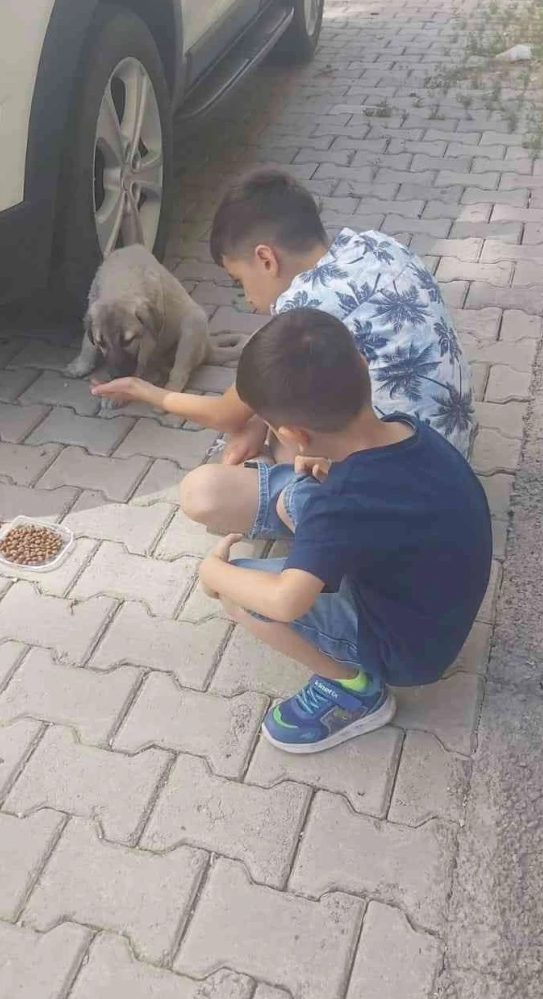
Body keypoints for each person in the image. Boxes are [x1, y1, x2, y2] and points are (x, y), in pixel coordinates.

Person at [91, 166, 475, 537]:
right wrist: (258, 422)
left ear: (266, 259)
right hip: (448, 453)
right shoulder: (375, 244)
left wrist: (147, 392)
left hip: (401, 494)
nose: (247, 299)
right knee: (272, 419)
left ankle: (326, 522)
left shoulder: (305, 308)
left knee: (203, 493)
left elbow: (224, 414)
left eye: (239, 281)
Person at [196, 307, 491, 753]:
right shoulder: (409, 429)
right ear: (361, 364)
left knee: (244, 594)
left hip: (407, 650)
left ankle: (354, 691)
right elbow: (383, 497)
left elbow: (286, 600)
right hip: (436, 605)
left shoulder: (343, 504)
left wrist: (215, 573)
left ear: (294, 433)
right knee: (296, 496)